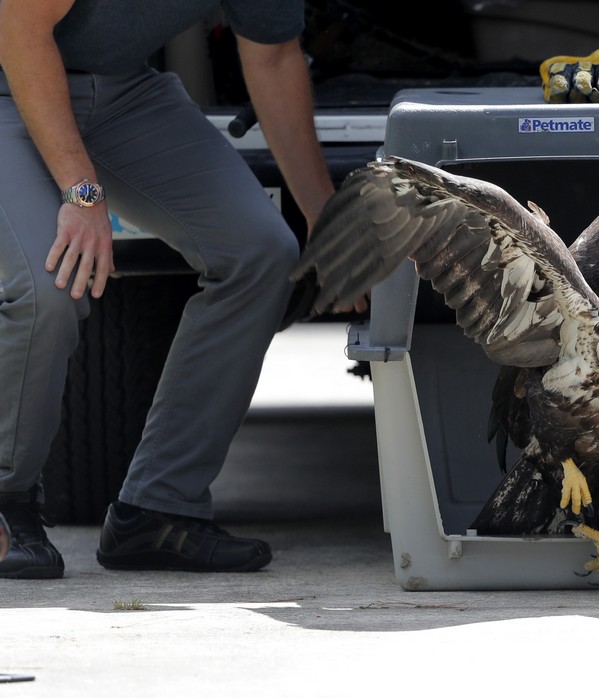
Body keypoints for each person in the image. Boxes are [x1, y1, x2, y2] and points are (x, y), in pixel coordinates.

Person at [0, 1, 343, 578]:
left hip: (124, 93)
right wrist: (83, 194)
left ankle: (158, 508)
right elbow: (18, 29)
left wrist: (323, 214)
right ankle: (7, 504)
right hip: (12, 77)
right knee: (48, 290)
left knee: (260, 254)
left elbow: (275, 56)